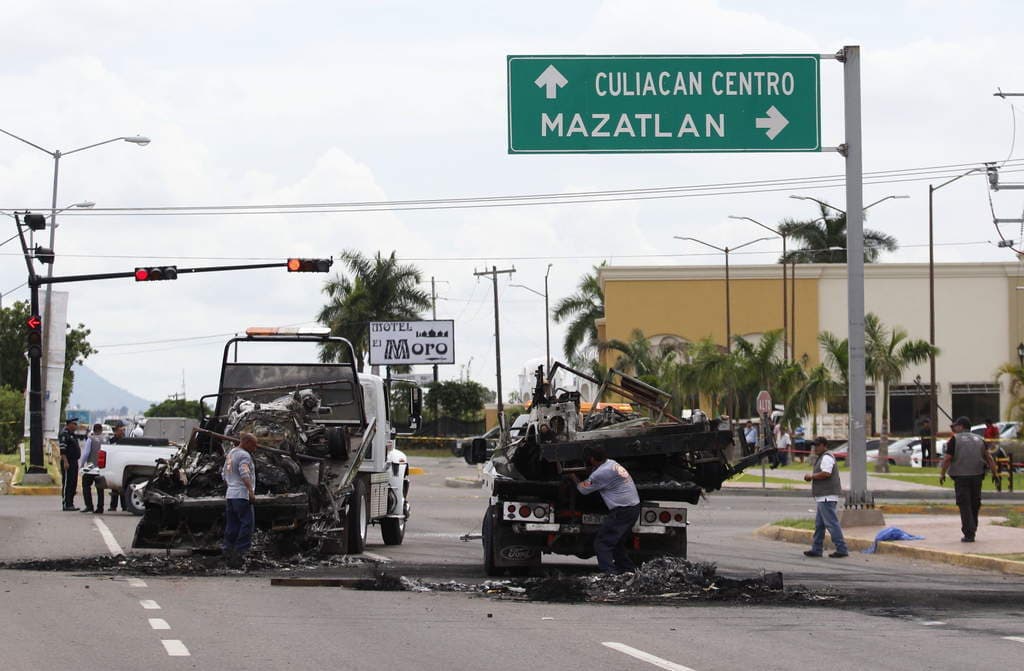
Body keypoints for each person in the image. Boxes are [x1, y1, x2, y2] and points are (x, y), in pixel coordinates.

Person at [568, 445, 641, 574]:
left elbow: (583, 489)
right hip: (633, 507)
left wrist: (573, 476)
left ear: (592, 459)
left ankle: (610, 574)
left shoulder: (600, 473)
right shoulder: (612, 463)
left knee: (602, 543)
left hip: (622, 511)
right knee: (616, 542)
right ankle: (628, 571)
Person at [940, 416, 999, 542]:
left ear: (961, 426)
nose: (954, 428)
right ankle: (973, 528)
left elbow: (948, 459)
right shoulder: (980, 439)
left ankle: (969, 533)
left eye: (956, 426)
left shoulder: (954, 439)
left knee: (964, 504)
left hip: (961, 478)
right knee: (974, 504)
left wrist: (942, 474)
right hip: (977, 476)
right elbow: (989, 458)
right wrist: (995, 474)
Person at [803, 436, 849, 558]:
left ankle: (842, 549)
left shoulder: (827, 457)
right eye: (814, 446)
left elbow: (826, 473)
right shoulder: (822, 457)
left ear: (824, 445)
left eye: (818, 445)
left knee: (831, 524)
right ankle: (816, 549)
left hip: (827, 497)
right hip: (823, 497)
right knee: (820, 525)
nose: (815, 448)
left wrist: (811, 476)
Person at [222, 432, 258, 568]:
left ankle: (227, 551)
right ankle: (240, 553)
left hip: (230, 495)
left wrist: (231, 485)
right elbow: (244, 473)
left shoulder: (231, 453)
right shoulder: (244, 455)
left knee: (232, 524)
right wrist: (250, 491)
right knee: (247, 524)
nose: (255, 448)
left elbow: (224, 474)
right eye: (253, 445)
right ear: (246, 442)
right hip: (242, 495)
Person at [79, 423, 106, 514]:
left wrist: (82, 464)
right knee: (100, 488)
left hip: (91, 467)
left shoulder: (90, 439)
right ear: (101, 430)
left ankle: (89, 506)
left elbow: (86, 453)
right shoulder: (105, 439)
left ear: (93, 430)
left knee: (86, 485)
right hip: (102, 468)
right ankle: (100, 507)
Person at [58, 417, 81, 511]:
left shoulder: (72, 434)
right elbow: (62, 449)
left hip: (74, 461)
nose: (76, 426)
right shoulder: (64, 434)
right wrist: (65, 461)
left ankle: (71, 503)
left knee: (73, 483)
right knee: (67, 483)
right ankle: (66, 503)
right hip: (68, 461)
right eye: (74, 424)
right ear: (69, 424)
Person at [106, 425, 126, 511]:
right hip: (114, 466)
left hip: (123, 466)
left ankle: (124, 506)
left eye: (123, 430)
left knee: (123, 486)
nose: (122, 432)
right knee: (114, 487)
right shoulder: (112, 441)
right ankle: (113, 506)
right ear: (116, 432)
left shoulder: (125, 440)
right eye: (120, 431)